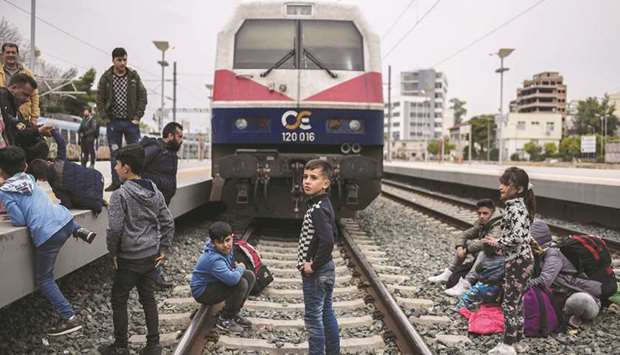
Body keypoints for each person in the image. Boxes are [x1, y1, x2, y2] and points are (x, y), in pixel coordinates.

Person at [0, 146, 95, 336]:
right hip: (66, 222)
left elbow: (19, 219)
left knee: (44, 279)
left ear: (1, 171)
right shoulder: (29, 179)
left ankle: (69, 317)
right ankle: (80, 231)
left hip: (48, 235)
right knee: (56, 210)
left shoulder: (5, 191)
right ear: (25, 165)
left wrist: (11, 215)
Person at [99, 144, 174, 355]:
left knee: (119, 299)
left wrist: (112, 252)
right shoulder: (153, 189)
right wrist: (164, 248)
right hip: (150, 255)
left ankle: (121, 346)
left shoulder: (120, 195)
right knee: (148, 298)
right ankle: (153, 345)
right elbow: (167, 221)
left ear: (126, 168)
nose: (114, 168)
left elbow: (114, 229)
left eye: (117, 164)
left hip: (129, 259)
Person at [484, 167, 536, 355]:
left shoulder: (515, 208)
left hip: (518, 261)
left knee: (509, 303)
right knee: (517, 302)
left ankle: (507, 345)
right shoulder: (520, 206)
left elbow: (518, 238)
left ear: (519, 189)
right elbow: (521, 237)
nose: (501, 187)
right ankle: (518, 342)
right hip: (523, 260)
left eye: (506, 184)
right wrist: (499, 244)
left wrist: (497, 242)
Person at [296, 159, 340, 355]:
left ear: (325, 183)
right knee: (326, 313)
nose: (307, 181)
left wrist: (313, 265)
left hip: (317, 272)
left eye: (313, 178)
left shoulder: (317, 210)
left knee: (313, 319)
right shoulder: (324, 204)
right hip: (327, 269)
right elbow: (334, 234)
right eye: (305, 177)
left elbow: (329, 241)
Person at [526, 220, 603, 328]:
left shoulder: (553, 255)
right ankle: (560, 313)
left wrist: (521, 285)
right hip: (562, 295)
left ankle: (569, 315)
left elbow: (544, 282)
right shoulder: (539, 255)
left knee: (578, 301)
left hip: (584, 297)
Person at [190, 221, 256, 333]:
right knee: (240, 284)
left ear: (232, 237)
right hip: (203, 292)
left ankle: (233, 313)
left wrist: (238, 270)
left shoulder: (224, 250)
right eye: (220, 242)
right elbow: (232, 280)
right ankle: (225, 319)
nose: (225, 245)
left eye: (227, 240)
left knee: (249, 276)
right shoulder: (213, 259)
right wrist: (240, 268)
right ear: (213, 242)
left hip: (213, 283)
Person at [96, 47, 147, 192]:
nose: (123, 63)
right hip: (114, 122)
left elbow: (143, 96)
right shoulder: (106, 78)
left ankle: (137, 182)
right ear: (113, 60)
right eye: (119, 60)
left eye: (125, 59)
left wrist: (137, 116)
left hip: (131, 122)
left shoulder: (133, 77)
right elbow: (99, 99)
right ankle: (116, 182)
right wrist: (105, 118)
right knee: (115, 153)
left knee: (136, 152)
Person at [429, 199, 502, 293]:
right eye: (479, 213)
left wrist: (466, 250)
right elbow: (464, 235)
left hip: (496, 260)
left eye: (485, 213)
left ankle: (467, 283)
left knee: (483, 252)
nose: (481, 216)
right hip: (487, 257)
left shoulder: (498, 225)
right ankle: (449, 272)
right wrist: (460, 247)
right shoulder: (482, 224)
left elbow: (485, 242)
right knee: (466, 243)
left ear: (492, 213)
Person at [27, 129, 105, 213]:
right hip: (98, 177)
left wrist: (54, 207)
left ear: (42, 179)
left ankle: (97, 201)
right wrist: (53, 131)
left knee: (74, 198)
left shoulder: (56, 185)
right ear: (48, 162)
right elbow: (61, 143)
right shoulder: (60, 160)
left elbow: (67, 204)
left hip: (94, 202)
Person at [0, 73, 53, 152]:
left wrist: (38, 129)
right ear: (14, 88)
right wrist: (39, 131)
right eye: (25, 94)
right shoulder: (3, 102)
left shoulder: (15, 109)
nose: (28, 99)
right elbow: (15, 132)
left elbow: (22, 127)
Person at [141, 121, 183, 205]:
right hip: (151, 201)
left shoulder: (171, 153)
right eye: (180, 136)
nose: (181, 140)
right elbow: (135, 167)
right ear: (170, 136)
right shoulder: (155, 148)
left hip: (163, 202)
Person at [0, 43, 40, 123]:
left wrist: (34, 118)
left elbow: (34, 96)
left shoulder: (27, 73)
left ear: (17, 55)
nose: (11, 55)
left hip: (22, 116)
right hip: (2, 115)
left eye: (13, 52)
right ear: (2, 55)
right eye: (8, 52)